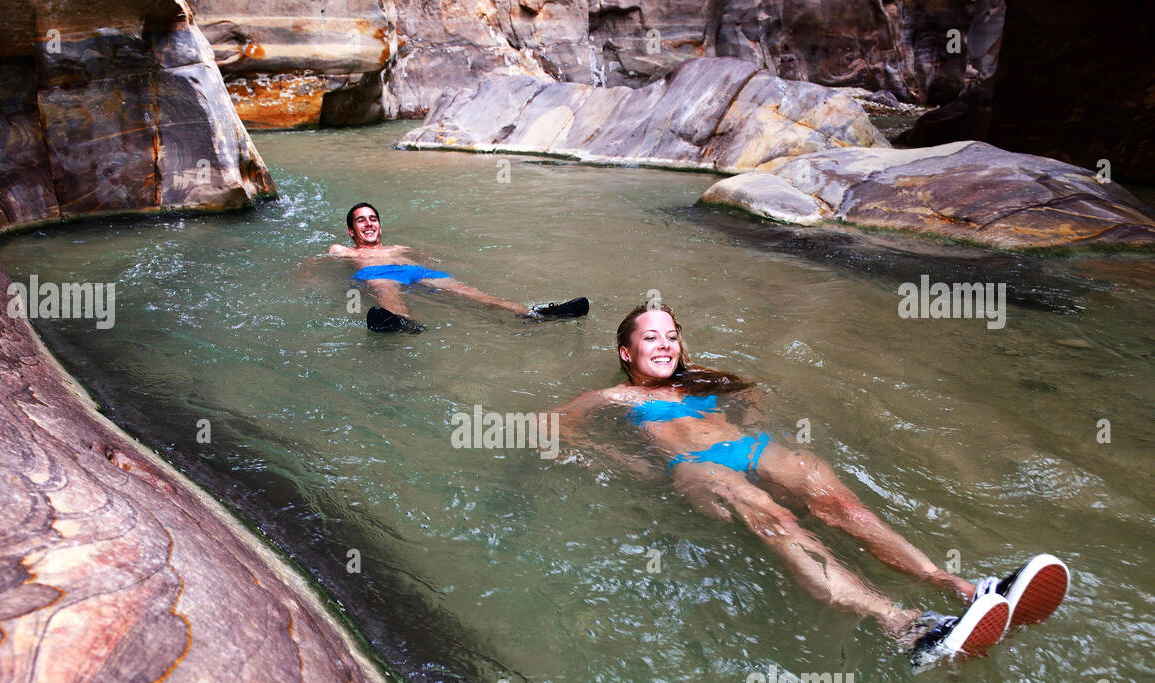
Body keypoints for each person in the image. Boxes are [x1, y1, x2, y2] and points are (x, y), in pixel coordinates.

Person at [551, 301, 1070, 659]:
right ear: (627, 353)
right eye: (651, 338)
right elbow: (549, 428)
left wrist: (750, 424)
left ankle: (961, 588)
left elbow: (753, 395)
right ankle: (907, 626)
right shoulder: (616, 397)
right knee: (777, 520)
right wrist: (621, 464)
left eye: (671, 336)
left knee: (840, 504)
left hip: (746, 448)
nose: (664, 346)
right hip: (697, 467)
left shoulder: (705, 381)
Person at [328, 202, 588, 333]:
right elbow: (322, 262)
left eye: (373, 219)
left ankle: (532, 313)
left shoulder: (400, 248)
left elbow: (429, 258)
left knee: (464, 290)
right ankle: (404, 324)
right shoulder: (343, 250)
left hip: (415, 272)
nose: (369, 224)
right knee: (385, 289)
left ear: (380, 226)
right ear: (352, 231)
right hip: (377, 274)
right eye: (361, 221)